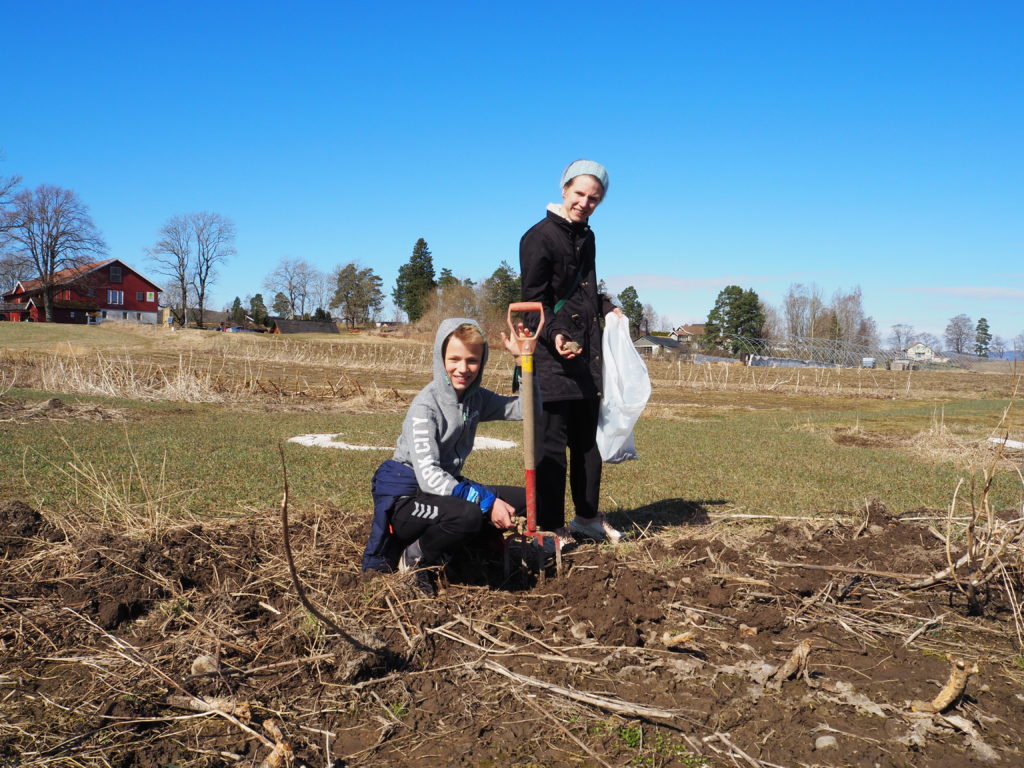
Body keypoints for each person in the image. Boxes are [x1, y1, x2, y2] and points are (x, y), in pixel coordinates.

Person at [361, 317, 530, 595]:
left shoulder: (475, 399)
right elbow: (429, 478)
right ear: (441, 358)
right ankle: (415, 558)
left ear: (482, 360)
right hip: (409, 498)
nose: (463, 369)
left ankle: (468, 548)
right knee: (469, 513)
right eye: (454, 359)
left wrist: (522, 362)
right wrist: (488, 502)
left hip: (443, 492)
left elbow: (525, 409)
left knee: (527, 501)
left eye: (472, 360)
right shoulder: (426, 406)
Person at [519, 159, 623, 544]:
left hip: (586, 359)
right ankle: (549, 527)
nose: (585, 202)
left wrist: (605, 306)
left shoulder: (588, 238)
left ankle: (586, 517)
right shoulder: (539, 237)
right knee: (551, 447)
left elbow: (581, 291)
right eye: (579, 194)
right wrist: (558, 335)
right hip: (550, 359)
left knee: (586, 446)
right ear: (564, 190)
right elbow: (534, 302)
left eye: (594, 198)